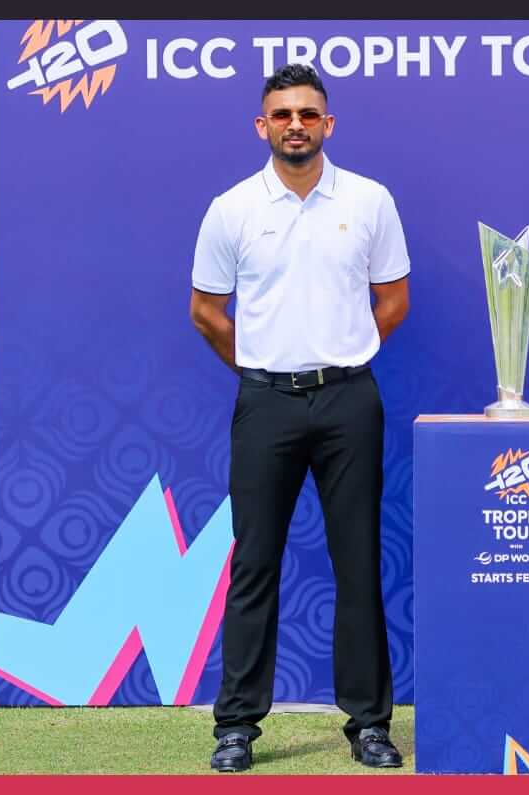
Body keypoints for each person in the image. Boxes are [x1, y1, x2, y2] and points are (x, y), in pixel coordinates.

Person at [190, 63, 410, 772]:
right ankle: (236, 725)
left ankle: (369, 723)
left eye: (308, 114)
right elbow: (206, 311)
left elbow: (393, 300)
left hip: (349, 400)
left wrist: (342, 357)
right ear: (262, 125)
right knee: (254, 562)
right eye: (282, 114)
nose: (295, 125)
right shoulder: (231, 208)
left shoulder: (370, 200)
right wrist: (262, 367)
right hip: (266, 402)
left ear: (328, 124)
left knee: (358, 560)